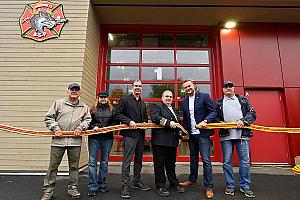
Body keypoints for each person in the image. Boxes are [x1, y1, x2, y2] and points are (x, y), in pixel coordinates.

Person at [41, 83, 91, 200]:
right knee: (53, 166)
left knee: (74, 167)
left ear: (79, 93)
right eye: (72, 89)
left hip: (75, 141)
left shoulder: (84, 107)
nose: (74, 91)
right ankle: (48, 191)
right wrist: (55, 128)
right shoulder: (58, 103)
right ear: (68, 91)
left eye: (76, 90)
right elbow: (48, 118)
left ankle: (73, 188)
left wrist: (80, 128)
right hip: (58, 141)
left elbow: (87, 120)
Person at [215, 81, 256, 198]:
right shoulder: (218, 103)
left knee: (244, 161)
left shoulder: (243, 100)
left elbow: (252, 113)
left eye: (230, 87)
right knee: (227, 162)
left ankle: (245, 186)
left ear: (233, 88)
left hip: (242, 135)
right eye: (226, 87)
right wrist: (220, 123)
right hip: (226, 136)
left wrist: (243, 121)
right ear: (223, 89)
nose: (228, 88)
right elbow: (214, 116)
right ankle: (230, 185)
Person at [179, 80, 217, 199]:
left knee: (206, 160)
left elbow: (213, 111)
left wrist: (206, 121)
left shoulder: (204, 97)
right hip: (192, 135)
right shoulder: (184, 102)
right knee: (193, 158)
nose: (187, 88)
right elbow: (185, 119)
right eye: (185, 87)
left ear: (194, 86)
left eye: (189, 86)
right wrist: (184, 132)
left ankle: (209, 186)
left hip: (203, 134)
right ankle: (192, 180)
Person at [115, 80, 150, 199]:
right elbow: (117, 114)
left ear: (142, 88)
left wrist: (145, 121)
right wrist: (129, 121)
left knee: (139, 160)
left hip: (140, 135)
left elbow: (145, 116)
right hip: (129, 135)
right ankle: (125, 186)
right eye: (136, 86)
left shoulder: (143, 102)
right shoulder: (125, 100)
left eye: (140, 86)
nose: (138, 88)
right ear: (132, 87)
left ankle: (136, 181)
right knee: (127, 161)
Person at [151, 90, 185, 197]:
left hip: (172, 142)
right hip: (160, 142)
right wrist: (169, 123)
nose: (168, 98)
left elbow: (179, 124)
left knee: (171, 164)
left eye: (170, 96)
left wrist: (179, 137)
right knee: (159, 165)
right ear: (162, 98)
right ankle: (160, 186)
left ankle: (173, 183)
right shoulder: (157, 106)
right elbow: (155, 118)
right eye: (166, 96)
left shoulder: (174, 109)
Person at [87, 92, 115, 197]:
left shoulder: (112, 110)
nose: (103, 99)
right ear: (98, 98)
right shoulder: (92, 109)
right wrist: (94, 127)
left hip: (107, 138)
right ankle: (92, 186)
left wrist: (107, 129)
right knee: (92, 162)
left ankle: (102, 184)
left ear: (108, 99)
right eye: (101, 97)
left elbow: (116, 122)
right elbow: (88, 121)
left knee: (104, 162)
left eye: (105, 97)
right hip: (94, 138)